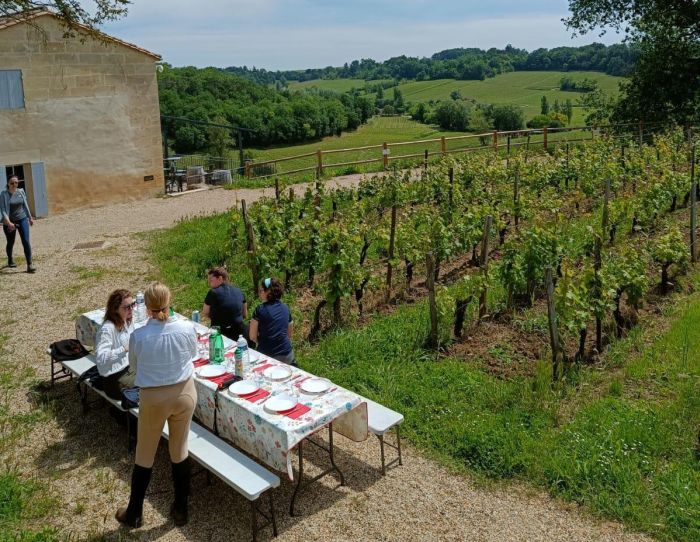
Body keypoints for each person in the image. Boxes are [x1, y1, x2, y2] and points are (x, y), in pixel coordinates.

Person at [116, 282, 197, 528]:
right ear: (169, 301)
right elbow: (193, 354)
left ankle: (135, 513)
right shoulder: (186, 327)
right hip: (184, 393)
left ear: (146, 307)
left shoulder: (138, 336)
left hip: (154, 397)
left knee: (145, 453)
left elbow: (134, 368)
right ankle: (181, 509)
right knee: (180, 449)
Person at [95, 289, 136, 400]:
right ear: (115, 309)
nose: (131, 309)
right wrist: (124, 349)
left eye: (133, 304)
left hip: (128, 369)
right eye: (127, 307)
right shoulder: (107, 329)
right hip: (115, 379)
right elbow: (101, 359)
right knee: (151, 381)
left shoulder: (128, 320)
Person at [249, 277, 295, 365]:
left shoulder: (259, 309)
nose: (259, 293)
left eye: (261, 290)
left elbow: (252, 336)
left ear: (268, 292)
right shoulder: (285, 307)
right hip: (287, 355)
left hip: (267, 357)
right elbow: (289, 335)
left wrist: (263, 342)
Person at [202, 267, 247, 340]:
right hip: (240, 333)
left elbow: (205, 312)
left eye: (210, 280)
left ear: (220, 278)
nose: (209, 283)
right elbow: (244, 314)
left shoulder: (213, 292)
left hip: (220, 334)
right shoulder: (239, 291)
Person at [0, 175, 35, 273]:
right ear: (8, 183)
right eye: (12, 183)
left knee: (26, 241)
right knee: (10, 242)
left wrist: (30, 217)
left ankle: (30, 264)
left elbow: (25, 205)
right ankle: (10, 259)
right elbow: (3, 210)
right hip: (9, 222)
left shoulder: (21, 191)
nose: (14, 184)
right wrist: (8, 222)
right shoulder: (3, 194)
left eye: (16, 182)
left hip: (22, 219)